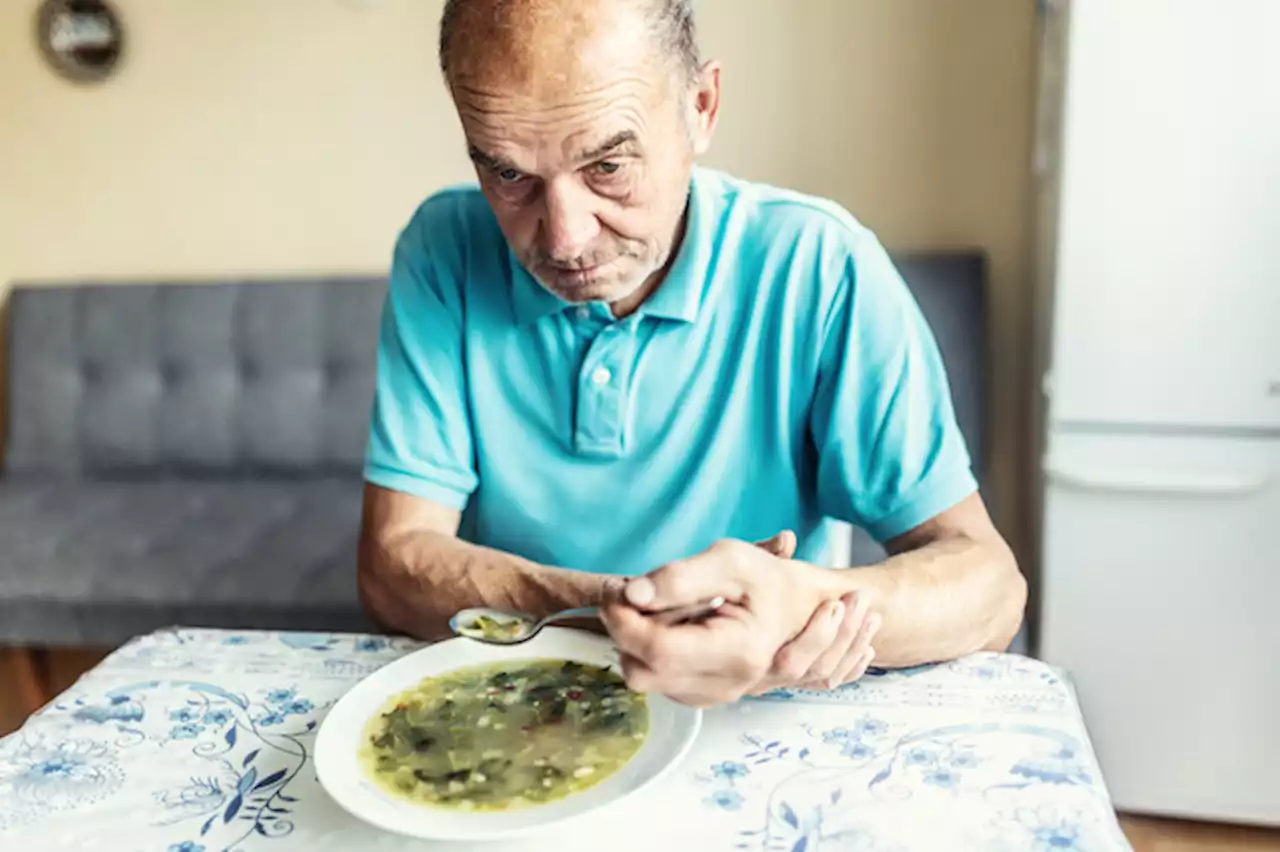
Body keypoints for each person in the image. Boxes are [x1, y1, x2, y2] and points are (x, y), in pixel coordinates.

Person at [356, 0, 1026, 707]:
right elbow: (393, 569)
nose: (564, 239)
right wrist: (626, 611)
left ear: (701, 107)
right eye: (510, 175)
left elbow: (989, 589)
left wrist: (800, 604)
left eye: (608, 165)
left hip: (755, 722)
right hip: (524, 707)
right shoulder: (443, 249)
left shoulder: (819, 265)